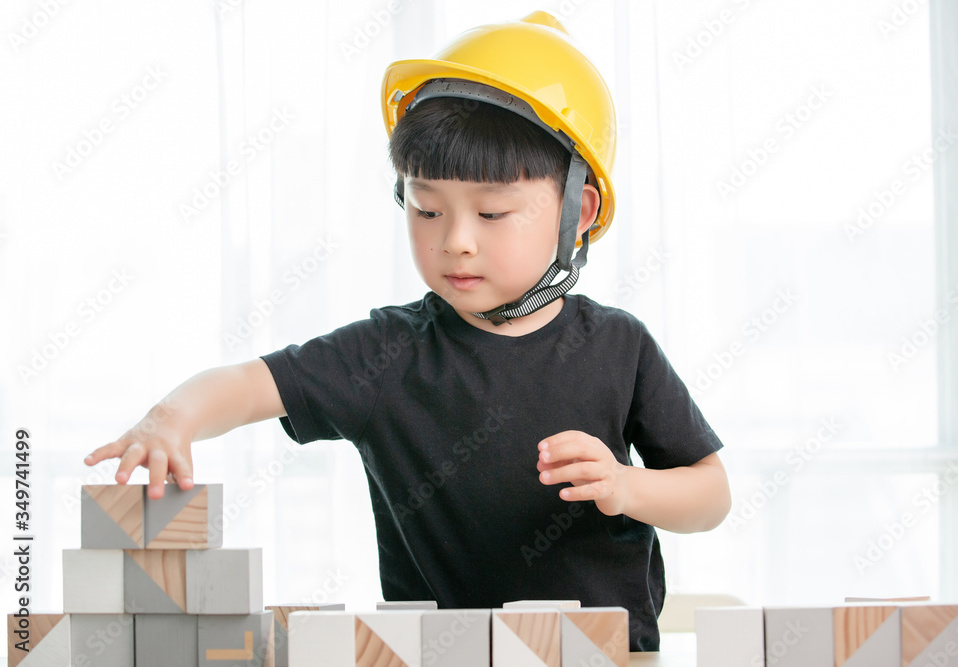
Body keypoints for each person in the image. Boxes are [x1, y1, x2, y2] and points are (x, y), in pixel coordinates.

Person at [84, 10, 731, 652]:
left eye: (492, 211)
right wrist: (174, 416)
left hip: (604, 655)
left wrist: (627, 486)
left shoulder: (620, 347)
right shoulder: (387, 354)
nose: (456, 241)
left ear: (577, 211)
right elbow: (252, 384)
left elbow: (710, 494)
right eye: (426, 208)